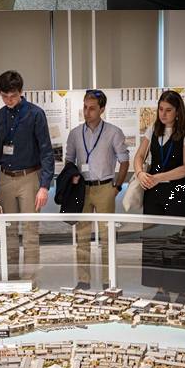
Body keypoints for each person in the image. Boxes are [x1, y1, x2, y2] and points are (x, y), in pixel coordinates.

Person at [0, 70, 53, 282]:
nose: (9, 101)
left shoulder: (35, 114)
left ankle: (29, 282)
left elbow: (46, 151)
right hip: (4, 178)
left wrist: (44, 186)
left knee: (30, 234)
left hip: (29, 178)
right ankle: (11, 280)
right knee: (8, 235)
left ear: (21, 91)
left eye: (13, 96)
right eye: (4, 96)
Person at [133, 90, 185, 303]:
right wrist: (141, 172)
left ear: (178, 111)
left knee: (178, 242)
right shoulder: (153, 129)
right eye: (160, 109)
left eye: (168, 110)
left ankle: (182, 290)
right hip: (154, 193)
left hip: (178, 193)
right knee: (155, 241)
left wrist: (159, 177)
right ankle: (161, 288)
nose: (163, 114)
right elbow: (139, 156)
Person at [63, 90, 129, 290]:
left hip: (104, 188)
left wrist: (117, 187)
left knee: (106, 238)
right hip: (82, 190)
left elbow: (124, 161)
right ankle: (83, 280)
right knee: (81, 238)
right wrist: (71, 173)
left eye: (92, 108)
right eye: (85, 107)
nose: (87, 112)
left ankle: (108, 282)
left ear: (102, 109)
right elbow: (69, 159)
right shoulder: (75, 133)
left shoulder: (113, 132)